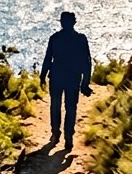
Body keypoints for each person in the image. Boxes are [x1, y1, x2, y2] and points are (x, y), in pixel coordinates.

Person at [39, 11, 92, 150]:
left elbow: (47, 58)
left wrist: (42, 75)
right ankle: (68, 135)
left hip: (56, 76)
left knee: (55, 106)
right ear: (74, 22)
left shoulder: (55, 38)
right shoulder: (81, 39)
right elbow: (87, 62)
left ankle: (55, 133)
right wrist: (85, 82)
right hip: (73, 78)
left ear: (61, 22)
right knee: (71, 107)